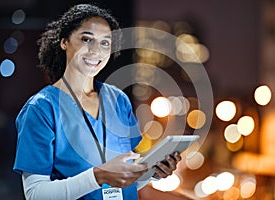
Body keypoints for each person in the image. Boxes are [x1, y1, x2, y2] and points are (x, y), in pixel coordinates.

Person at [13, 4, 181, 200]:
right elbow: (35, 194)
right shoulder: (41, 109)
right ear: (64, 42)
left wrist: (153, 173)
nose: (96, 51)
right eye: (86, 39)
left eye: (105, 43)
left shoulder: (118, 100)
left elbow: (124, 181)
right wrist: (98, 175)